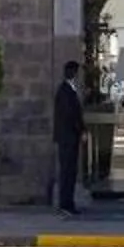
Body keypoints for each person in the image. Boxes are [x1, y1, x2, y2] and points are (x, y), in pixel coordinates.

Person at [51, 59, 86, 215]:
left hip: (69, 137)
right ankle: (65, 204)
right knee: (67, 171)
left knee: (70, 171)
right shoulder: (65, 91)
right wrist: (81, 130)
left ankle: (68, 203)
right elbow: (70, 115)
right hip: (68, 138)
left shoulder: (68, 90)